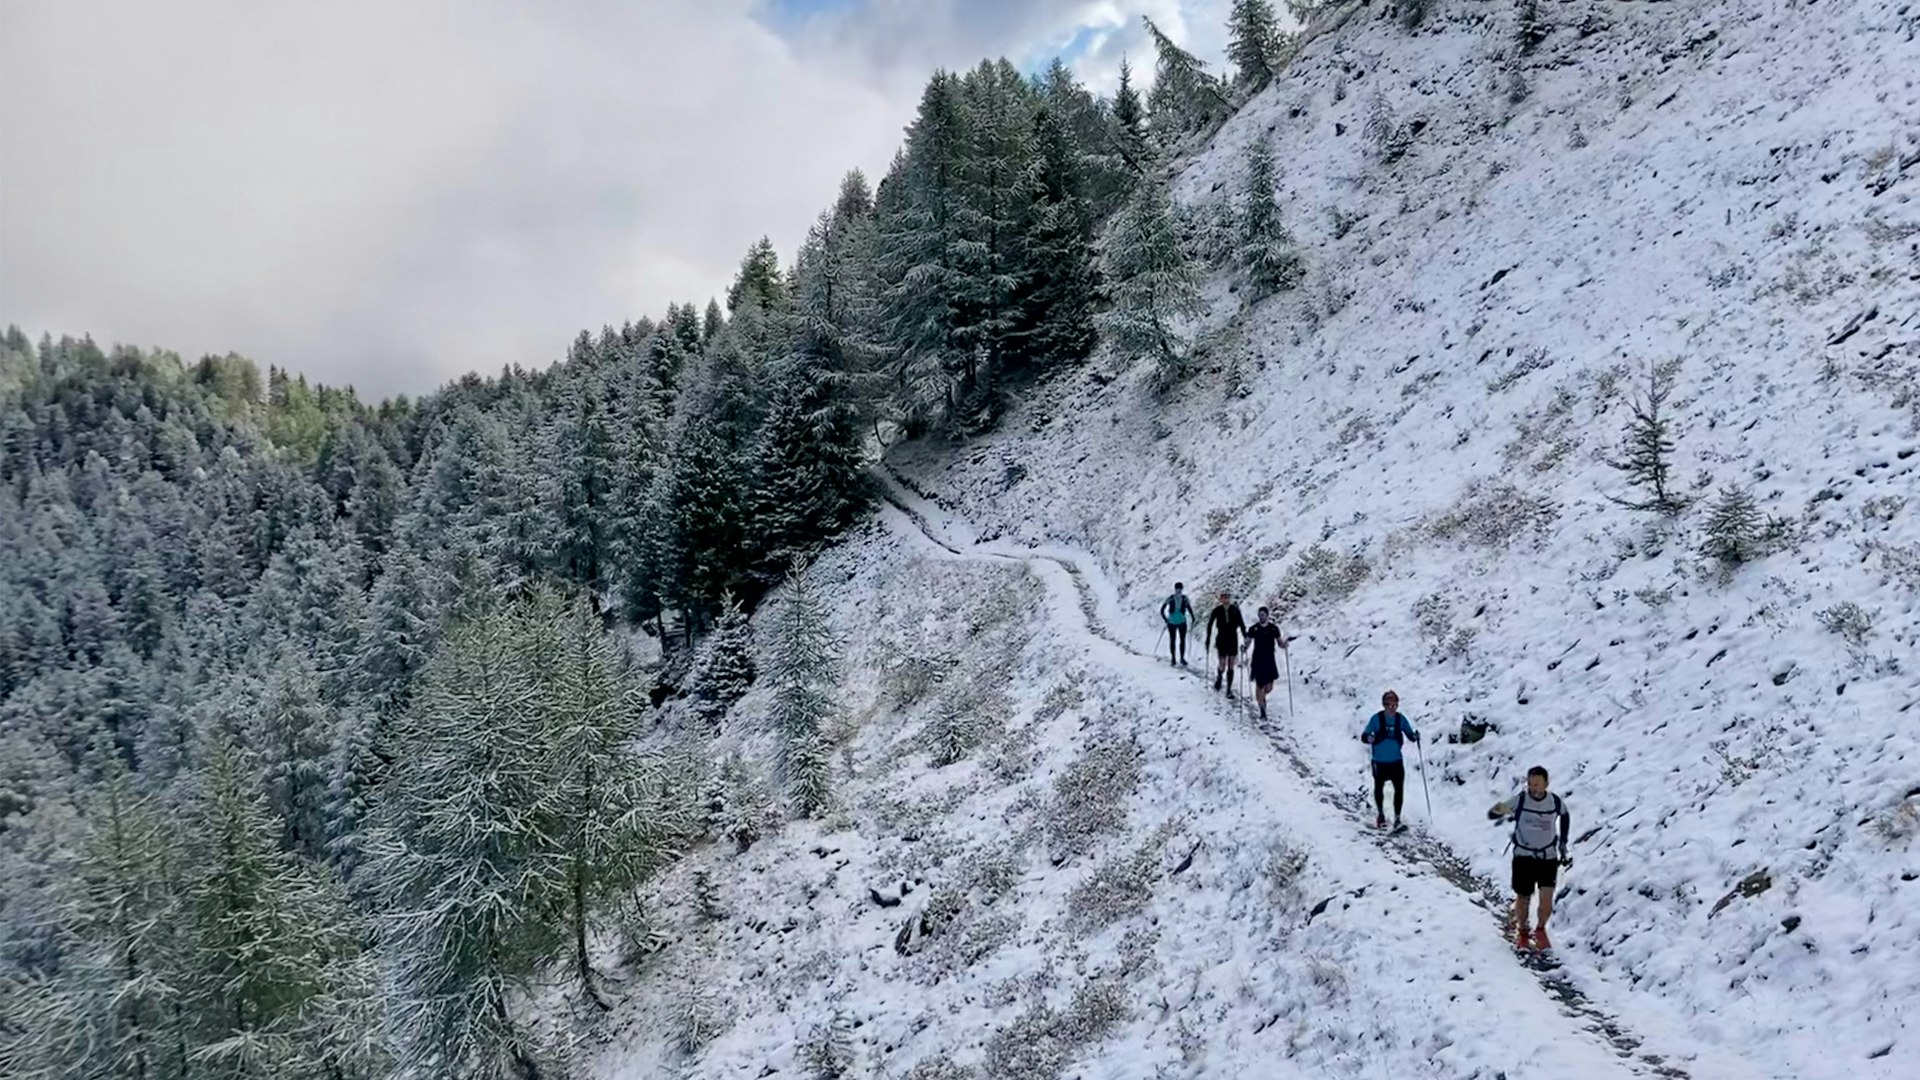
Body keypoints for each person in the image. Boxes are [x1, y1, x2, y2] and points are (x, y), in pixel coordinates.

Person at [1488, 767, 1571, 951]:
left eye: (1537, 784)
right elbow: (1495, 812)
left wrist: (1563, 842)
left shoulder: (1555, 802)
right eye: (1530, 784)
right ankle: (1523, 931)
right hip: (1524, 857)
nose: (1533, 788)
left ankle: (1540, 929)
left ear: (1546, 784)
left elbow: (1565, 816)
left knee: (1547, 901)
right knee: (1523, 897)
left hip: (1547, 857)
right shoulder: (1521, 800)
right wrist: (1500, 811)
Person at [1359, 690, 1420, 830]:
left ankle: (1397, 818)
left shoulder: (1400, 719)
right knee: (1379, 787)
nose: (1392, 708)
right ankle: (1381, 816)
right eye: (1389, 705)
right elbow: (1364, 736)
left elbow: (1410, 735)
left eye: (1395, 705)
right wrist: (1369, 738)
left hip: (1396, 761)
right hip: (1379, 761)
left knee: (1399, 789)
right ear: (1384, 705)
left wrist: (1415, 737)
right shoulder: (1376, 719)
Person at [1240, 607, 1290, 721]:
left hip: (1269, 660)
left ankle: (1261, 697)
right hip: (1258, 660)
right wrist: (1244, 648)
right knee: (1260, 685)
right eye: (1260, 615)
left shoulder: (1273, 629)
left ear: (1267, 615)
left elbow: (1280, 643)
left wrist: (1285, 645)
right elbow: (1247, 642)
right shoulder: (1254, 628)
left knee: (1269, 687)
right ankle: (1262, 710)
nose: (1262, 617)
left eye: (1263, 615)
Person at [1204, 592, 1247, 698]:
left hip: (1232, 637)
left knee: (1231, 664)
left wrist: (1245, 637)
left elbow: (1241, 624)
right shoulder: (1217, 610)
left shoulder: (1235, 609)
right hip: (1222, 638)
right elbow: (1210, 624)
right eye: (1223, 598)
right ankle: (1219, 677)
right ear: (1221, 599)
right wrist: (1208, 639)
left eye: (1227, 597)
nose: (1225, 600)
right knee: (1222, 664)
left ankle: (1229, 689)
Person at [1160, 582, 1194, 666]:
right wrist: (1166, 620)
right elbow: (1162, 610)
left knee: (1182, 641)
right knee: (1173, 640)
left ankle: (1182, 658)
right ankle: (1173, 658)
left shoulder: (1185, 599)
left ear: (1182, 589)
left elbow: (1189, 609)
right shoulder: (1170, 598)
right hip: (1172, 622)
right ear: (1175, 589)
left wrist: (1193, 617)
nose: (1178, 591)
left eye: (1180, 589)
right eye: (1177, 589)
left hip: (1181, 622)